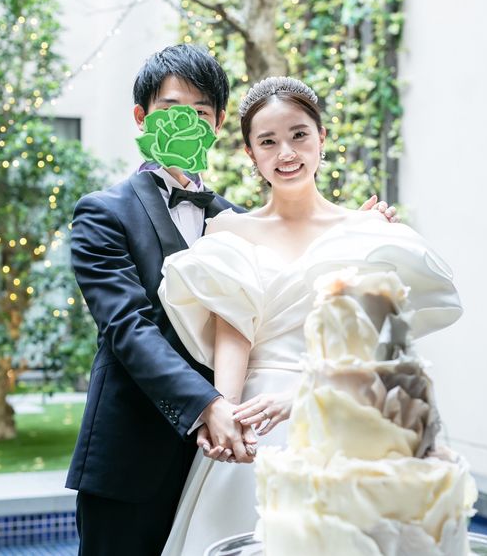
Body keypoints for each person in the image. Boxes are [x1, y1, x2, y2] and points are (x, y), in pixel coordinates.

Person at [67, 48, 394, 555]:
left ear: (218, 123)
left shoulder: (235, 221)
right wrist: (209, 406)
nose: (186, 123)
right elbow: (127, 326)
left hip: (236, 449)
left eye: (200, 112)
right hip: (135, 453)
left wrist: (362, 235)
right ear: (141, 117)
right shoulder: (103, 213)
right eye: (170, 109)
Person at [158, 76, 462, 554]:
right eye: (268, 142)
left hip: (345, 412)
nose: (286, 153)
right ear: (250, 153)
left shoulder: (367, 231)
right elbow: (234, 332)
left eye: (299, 135)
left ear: (322, 137)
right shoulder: (229, 230)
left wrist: (302, 396)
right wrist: (227, 414)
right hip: (257, 417)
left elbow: (383, 353)